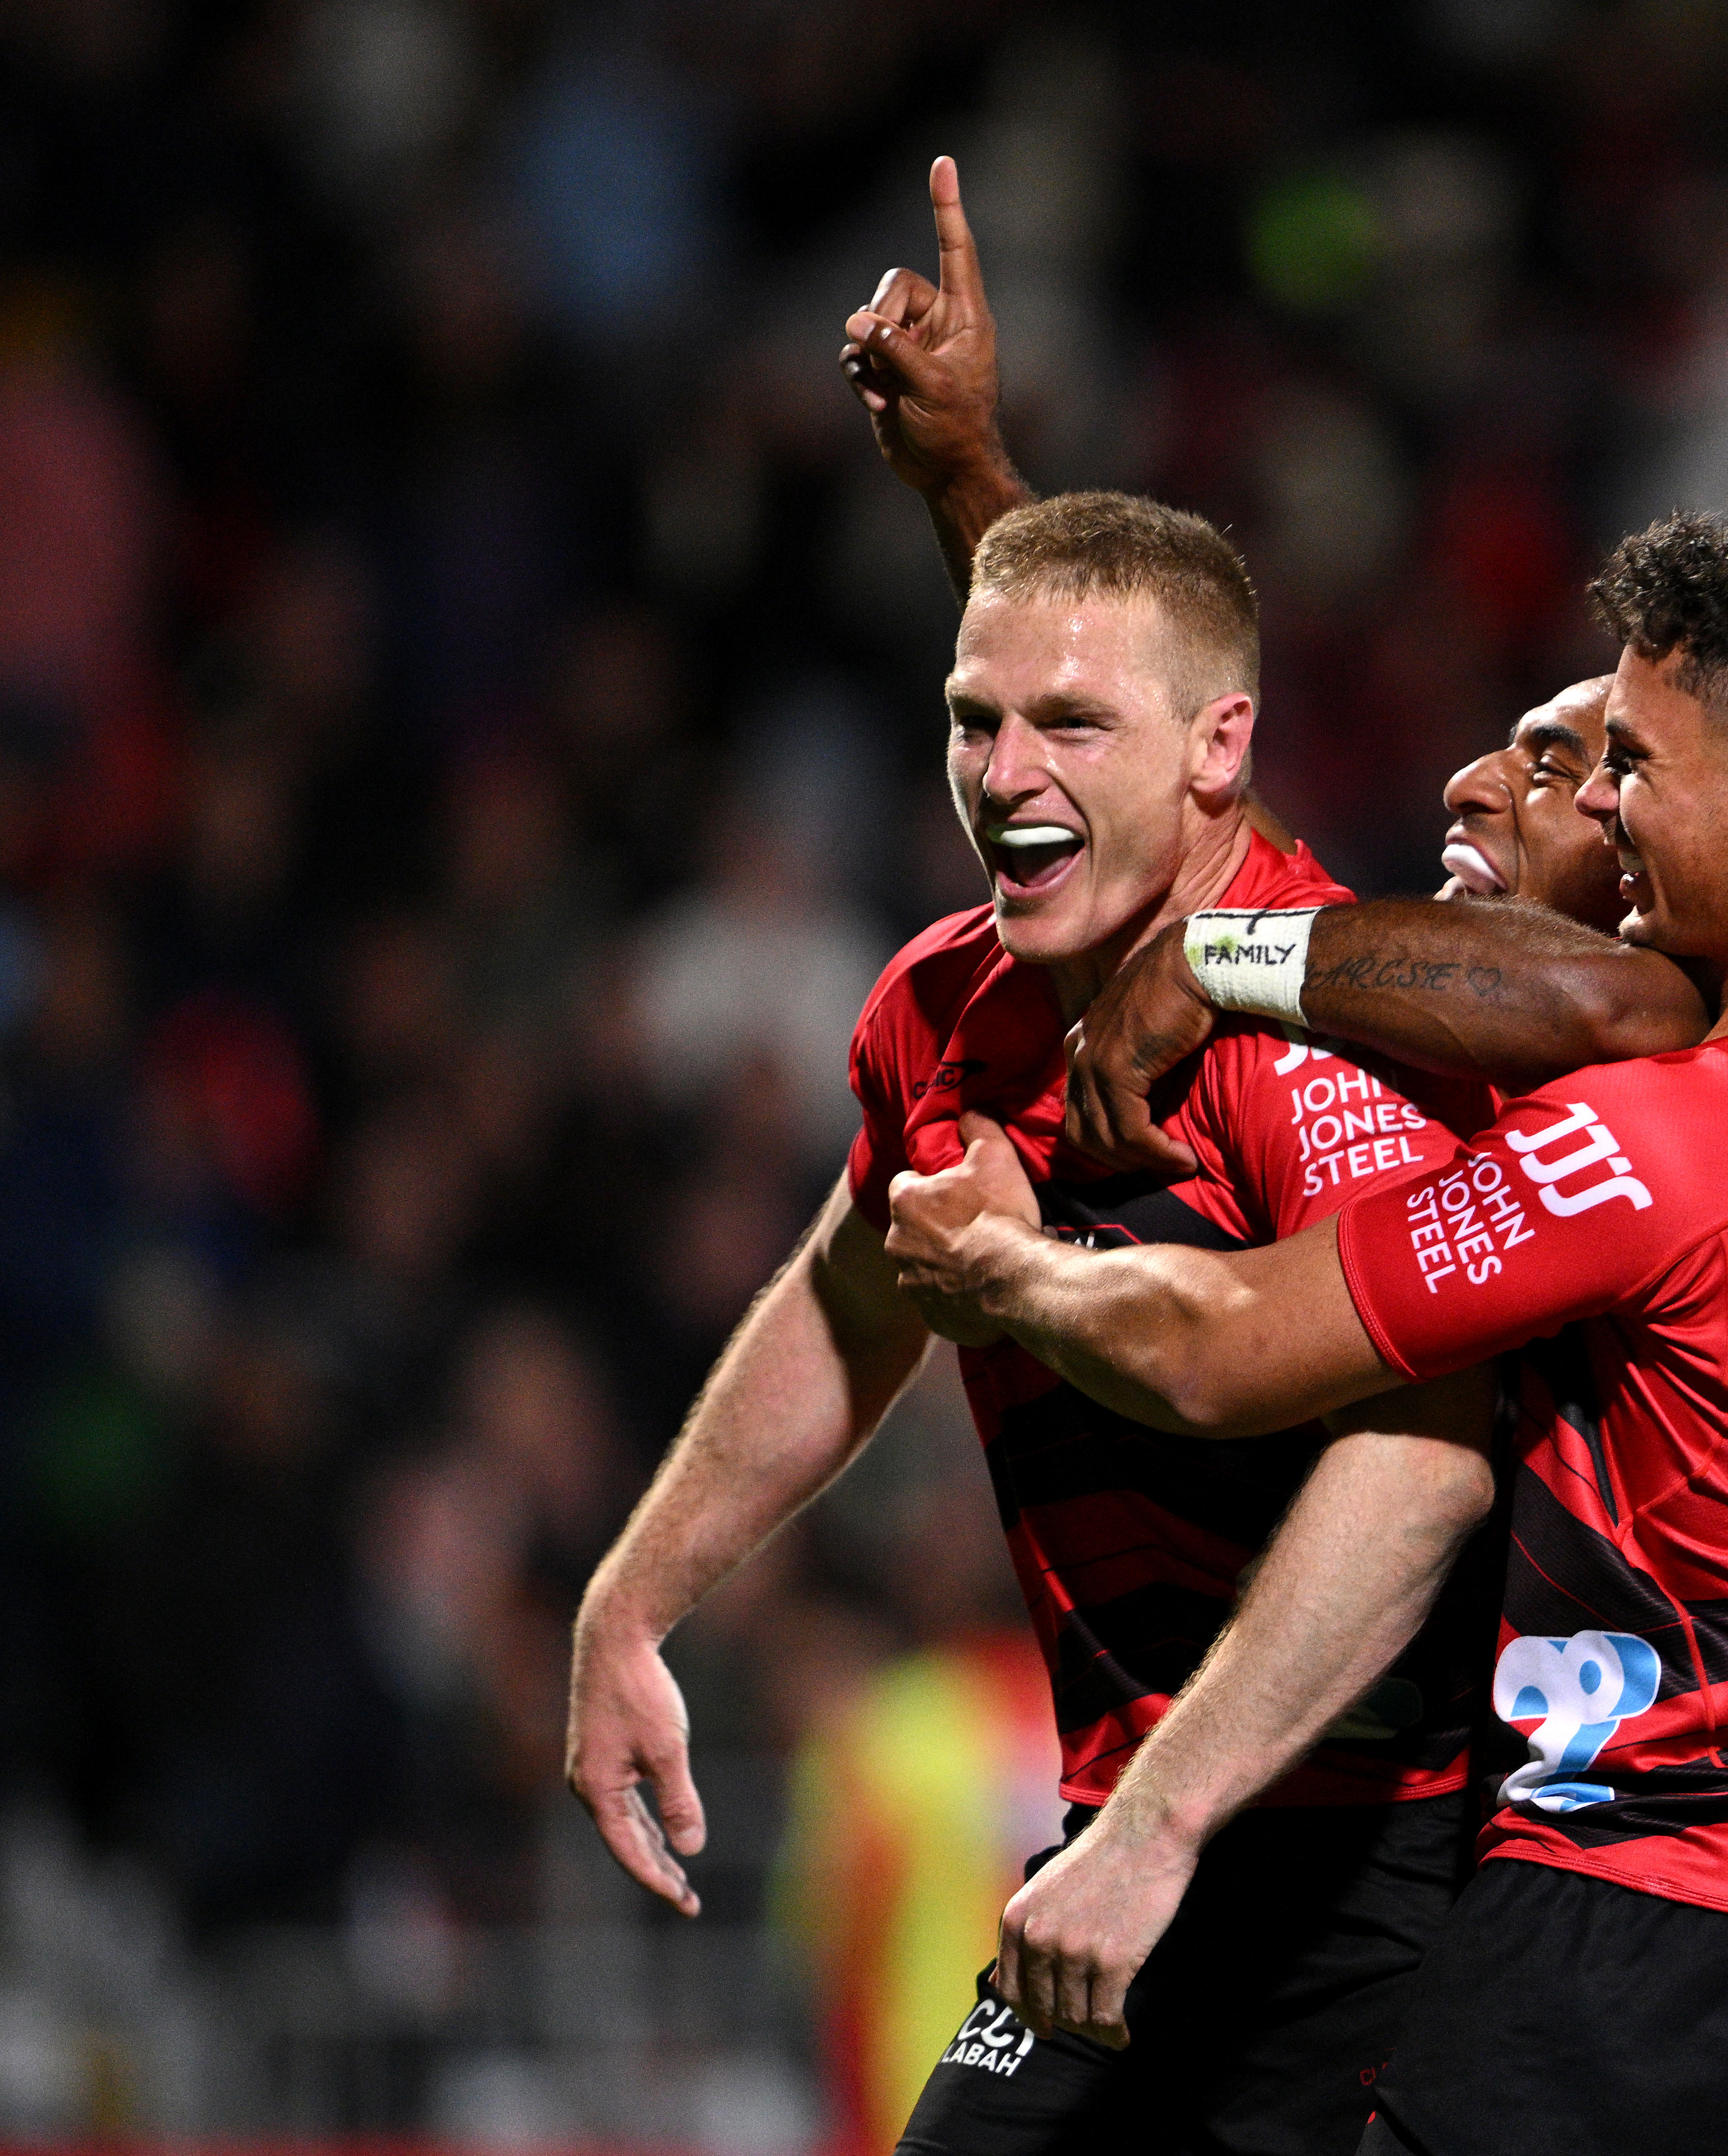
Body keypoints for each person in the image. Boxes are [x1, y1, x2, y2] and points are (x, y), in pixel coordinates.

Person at [851, 161, 1728, 2155]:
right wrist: (973, 481)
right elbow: (1164, 803)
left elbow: (1243, 1322)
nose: (1500, 778)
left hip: (1578, 1906)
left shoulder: (1636, 1109)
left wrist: (1009, 1278)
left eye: (1601, 764)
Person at [563, 489, 1520, 2156]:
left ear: (1219, 748)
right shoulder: (942, 1006)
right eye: (973, 719)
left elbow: (1424, 1472)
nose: (1005, 777)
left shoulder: (1318, 1038)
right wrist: (633, 1602)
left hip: (1388, 1867)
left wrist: (1159, 1825)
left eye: (1073, 721)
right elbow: (853, 1301)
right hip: (1123, 1846)